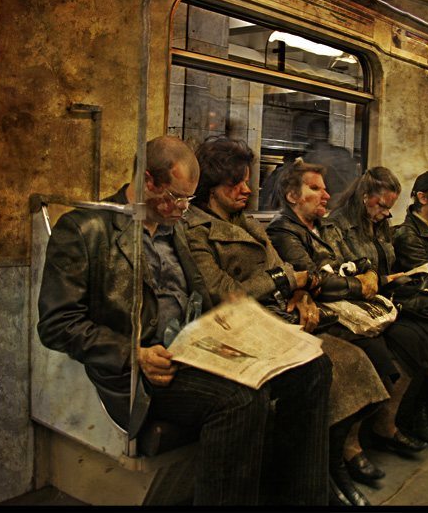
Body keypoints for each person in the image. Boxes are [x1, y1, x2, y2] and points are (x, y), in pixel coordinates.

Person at [37, 136, 333, 506]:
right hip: (142, 368)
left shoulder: (173, 227)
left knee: (312, 367)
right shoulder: (85, 229)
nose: (182, 209)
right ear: (148, 180)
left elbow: (202, 295)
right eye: (176, 198)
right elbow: (57, 324)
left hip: (194, 347)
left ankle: (302, 497)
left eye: (188, 200)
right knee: (240, 399)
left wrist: (243, 323)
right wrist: (135, 354)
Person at [182, 137, 388, 506]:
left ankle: (318, 479)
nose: (247, 190)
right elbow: (223, 293)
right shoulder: (196, 230)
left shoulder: (246, 222)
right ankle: (315, 482)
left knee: (341, 363)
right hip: (240, 325)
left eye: (247, 181)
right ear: (211, 188)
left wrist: (302, 294)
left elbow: (287, 270)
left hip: (280, 317)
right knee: (323, 366)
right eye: (236, 183)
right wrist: (288, 282)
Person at [266, 160, 425, 503]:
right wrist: (359, 284)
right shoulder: (283, 232)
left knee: (395, 353)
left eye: (324, 188)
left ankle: (349, 450)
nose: (326, 195)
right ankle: (336, 461)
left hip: (344, 310)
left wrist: (366, 274)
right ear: (292, 196)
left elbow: (350, 261)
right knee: (369, 363)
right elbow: (315, 279)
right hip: (320, 317)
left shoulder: (321, 226)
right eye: (315, 188)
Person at [329, 168, 428, 453]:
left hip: (386, 299)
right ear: (364, 196)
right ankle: (409, 421)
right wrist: (379, 280)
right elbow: (344, 271)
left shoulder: (384, 225)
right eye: (382, 205)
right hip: (360, 304)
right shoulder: (340, 227)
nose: (386, 213)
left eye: (389, 207)